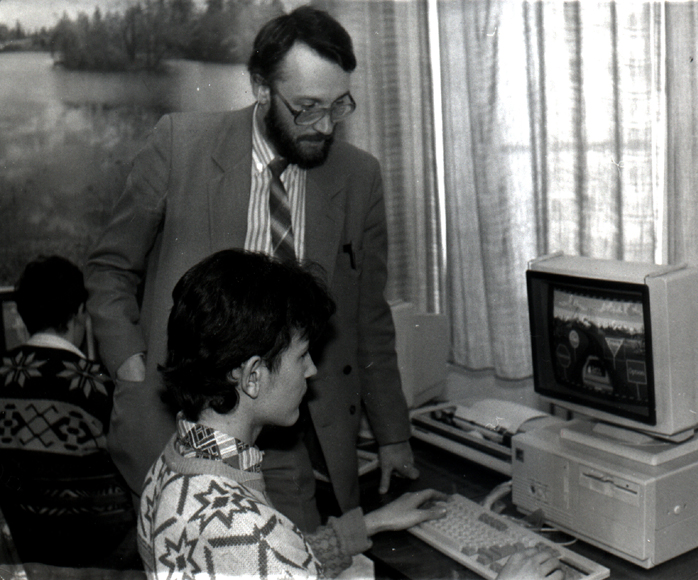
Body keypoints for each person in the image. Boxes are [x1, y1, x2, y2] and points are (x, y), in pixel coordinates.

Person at [85, 5, 417, 532]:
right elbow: (110, 268)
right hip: (177, 424)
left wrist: (393, 433)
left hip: (283, 433)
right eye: (306, 108)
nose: (325, 126)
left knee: (299, 557)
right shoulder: (179, 145)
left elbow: (368, 317)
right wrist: (131, 364)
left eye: (339, 105)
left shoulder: (359, 177)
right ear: (261, 88)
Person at [138, 249, 564, 580]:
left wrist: (368, 525)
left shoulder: (174, 465)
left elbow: (267, 562)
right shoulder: (248, 531)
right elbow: (264, 553)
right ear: (252, 376)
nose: (312, 370)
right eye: (301, 356)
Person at [0, 256, 136, 568]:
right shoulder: (98, 384)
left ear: (23, 313)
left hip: (25, 551)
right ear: (79, 312)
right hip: (100, 558)